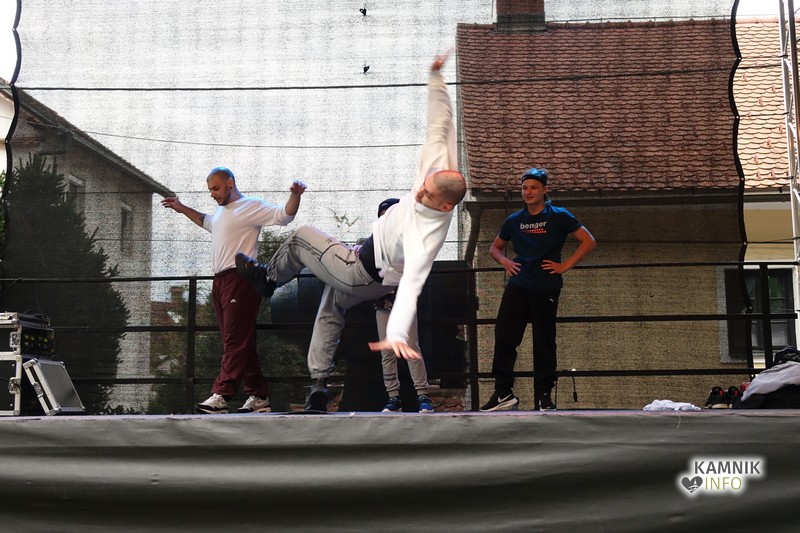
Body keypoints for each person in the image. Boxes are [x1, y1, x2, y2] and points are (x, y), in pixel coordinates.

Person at [236, 52, 465, 412]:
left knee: (302, 236)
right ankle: (318, 385)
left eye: (428, 197)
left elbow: (412, 278)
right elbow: (441, 126)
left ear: (445, 208)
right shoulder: (437, 180)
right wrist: (437, 79)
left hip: (361, 271)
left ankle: (268, 279)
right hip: (370, 280)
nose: (420, 193)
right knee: (330, 304)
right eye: (424, 187)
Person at [161, 167, 306, 414]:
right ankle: (258, 395)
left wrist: (295, 195)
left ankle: (222, 395)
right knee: (241, 340)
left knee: (235, 339)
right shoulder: (220, 213)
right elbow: (205, 221)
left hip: (241, 280)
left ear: (230, 183)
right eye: (210, 190)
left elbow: (284, 215)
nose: (212, 194)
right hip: (220, 281)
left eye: (216, 188)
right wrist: (181, 207)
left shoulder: (250, 206)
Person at [480, 168, 596, 412]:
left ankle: (544, 395)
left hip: (546, 287)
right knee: (505, 336)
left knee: (544, 340)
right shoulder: (514, 220)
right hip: (518, 286)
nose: (528, 192)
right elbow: (494, 248)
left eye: (534, 187)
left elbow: (588, 241)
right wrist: (506, 262)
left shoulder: (559, 215)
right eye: (525, 188)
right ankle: (503, 392)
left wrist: (565, 265)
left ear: (545, 189)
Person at [373, 198, 433, 414]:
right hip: (382, 302)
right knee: (387, 352)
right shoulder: (374, 243)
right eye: (383, 215)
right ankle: (393, 397)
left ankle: (423, 395)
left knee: (411, 347)